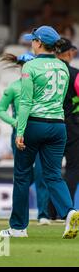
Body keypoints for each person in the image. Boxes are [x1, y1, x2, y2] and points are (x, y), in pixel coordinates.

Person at [0, 26, 79, 239]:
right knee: (53, 175)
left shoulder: (31, 66)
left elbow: (25, 102)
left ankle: (17, 227)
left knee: (23, 176)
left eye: (33, 40)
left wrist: (20, 130)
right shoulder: (63, 67)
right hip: (58, 126)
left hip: (35, 124)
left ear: (39, 43)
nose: (31, 43)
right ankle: (69, 211)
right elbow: (62, 99)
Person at [0, 52, 51, 225]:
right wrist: (15, 123)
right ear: (21, 67)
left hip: (37, 130)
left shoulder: (41, 87)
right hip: (20, 134)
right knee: (22, 175)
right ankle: (20, 216)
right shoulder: (13, 87)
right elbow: (0, 110)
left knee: (41, 172)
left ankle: (43, 214)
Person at [57, 39, 79, 207]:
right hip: (72, 126)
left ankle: (49, 211)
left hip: (50, 122)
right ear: (70, 52)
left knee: (51, 171)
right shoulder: (75, 73)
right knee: (72, 168)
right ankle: (65, 210)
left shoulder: (49, 72)